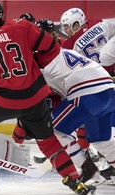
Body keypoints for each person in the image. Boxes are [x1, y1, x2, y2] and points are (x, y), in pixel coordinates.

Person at [0, 0, 96, 195]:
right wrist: (36, 63)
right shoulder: (21, 26)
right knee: (48, 141)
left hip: (3, 101)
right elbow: (52, 48)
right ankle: (74, 179)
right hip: (35, 99)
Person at [37, 46, 115, 186]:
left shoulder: (41, 65)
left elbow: (45, 96)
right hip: (109, 89)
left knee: (54, 129)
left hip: (87, 92)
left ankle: (87, 167)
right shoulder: (65, 50)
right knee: (101, 140)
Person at [60, 8, 115, 181]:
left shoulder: (69, 45)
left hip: (97, 86)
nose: (68, 31)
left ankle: (90, 157)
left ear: (76, 23)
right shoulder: (99, 22)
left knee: (89, 126)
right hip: (110, 78)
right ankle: (98, 157)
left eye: (68, 27)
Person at [60, 7, 115, 76]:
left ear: (76, 25)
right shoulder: (98, 22)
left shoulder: (69, 44)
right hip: (110, 67)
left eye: (66, 27)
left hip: (95, 76)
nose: (65, 30)